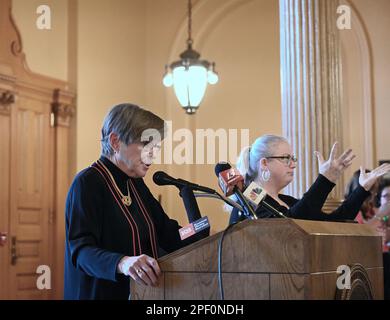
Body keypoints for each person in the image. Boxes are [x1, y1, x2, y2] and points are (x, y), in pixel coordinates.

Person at [64, 103, 205, 300]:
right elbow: (80, 251)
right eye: (147, 146)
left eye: (156, 147)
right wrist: (123, 263)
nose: (153, 155)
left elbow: (169, 233)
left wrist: (200, 230)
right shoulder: (88, 183)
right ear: (115, 141)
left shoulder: (136, 184)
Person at [229, 135, 390, 224]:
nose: (293, 165)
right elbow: (288, 224)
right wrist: (325, 180)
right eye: (286, 158)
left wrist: (362, 190)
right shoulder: (250, 195)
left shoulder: (287, 201)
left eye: (293, 158)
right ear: (264, 163)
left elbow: (332, 222)